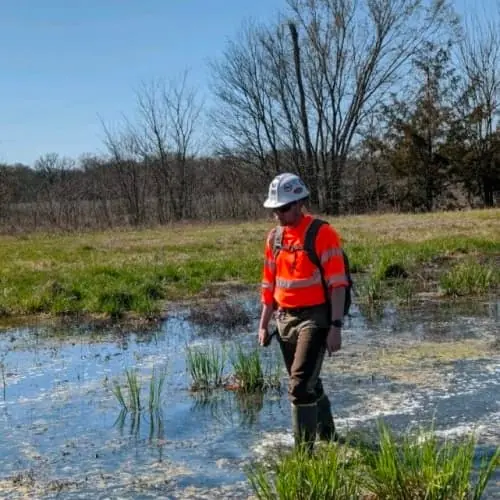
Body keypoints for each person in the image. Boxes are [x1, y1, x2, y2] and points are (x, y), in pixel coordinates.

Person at [258, 172, 349, 452]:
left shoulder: (322, 234)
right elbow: (268, 284)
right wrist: (263, 324)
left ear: (300, 203)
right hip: (284, 318)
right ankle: (329, 437)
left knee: (298, 386)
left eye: (283, 208)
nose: (278, 215)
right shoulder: (274, 238)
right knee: (309, 381)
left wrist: (335, 326)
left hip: (316, 317)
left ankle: (304, 457)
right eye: (275, 209)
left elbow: (338, 285)